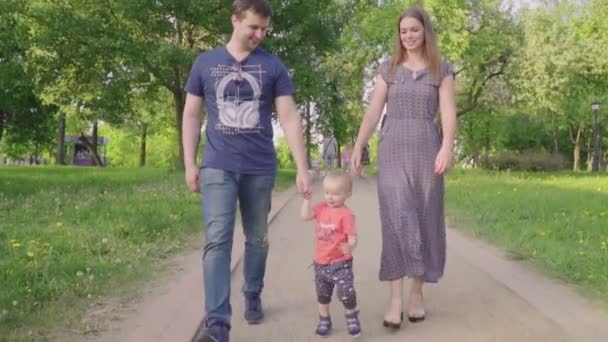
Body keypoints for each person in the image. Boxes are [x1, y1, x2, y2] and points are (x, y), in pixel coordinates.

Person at [182, 1, 311, 341]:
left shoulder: (273, 66)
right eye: (253, 27)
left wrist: (302, 167)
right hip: (217, 166)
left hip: (259, 167)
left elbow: (289, 117)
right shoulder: (205, 63)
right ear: (235, 20)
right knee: (217, 242)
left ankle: (252, 291)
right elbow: (192, 114)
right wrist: (189, 163)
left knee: (258, 239)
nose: (259, 35)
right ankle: (218, 324)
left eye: (264, 29)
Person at [351, 6, 457, 329]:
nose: (408, 35)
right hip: (393, 149)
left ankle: (416, 293)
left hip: (427, 150)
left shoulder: (442, 69)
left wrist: (447, 146)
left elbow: (449, 113)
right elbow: (372, 113)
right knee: (396, 220)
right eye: (403, 31)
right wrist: (358, 144)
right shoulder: (389, 68)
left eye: (414, 29)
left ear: (425, 30)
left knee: (425, 218)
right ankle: (394, 299)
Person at [300, 171, 361, 338]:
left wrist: (350, 245)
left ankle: (351, 315)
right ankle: (324, 319)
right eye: (327, 192)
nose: (330, 197)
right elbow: (305, 216)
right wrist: (306, 200)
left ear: (347, 194)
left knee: (346, 292)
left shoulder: (346, 214)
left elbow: (353, 237)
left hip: (341, 262)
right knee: (323, 295)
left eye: (335, 194)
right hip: (321, 262)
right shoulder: (321, 208)